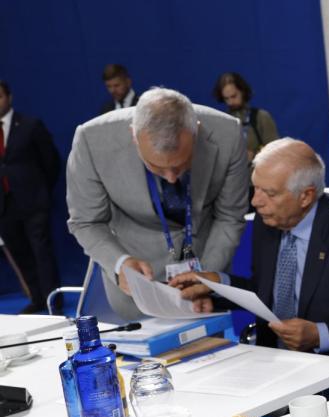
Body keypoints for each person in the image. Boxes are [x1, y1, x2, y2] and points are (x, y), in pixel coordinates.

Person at [170, 138, 329, 391]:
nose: (256, 202)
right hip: (273, 362)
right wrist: (218, 284)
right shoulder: (269, 223)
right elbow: (268, 293)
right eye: (255, 188)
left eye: (270, 193)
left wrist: (320, 335)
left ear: (306, 196)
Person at [67, 87, 249, 320]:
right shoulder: (92, 141)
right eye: (157, 167)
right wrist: (120, 263)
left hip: (206, 277)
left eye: (181, 165)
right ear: (134, 136)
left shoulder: (228, 133)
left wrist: (205, 279)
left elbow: (229, 217)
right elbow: (86, 222)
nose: (171, 177)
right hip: (137, 288)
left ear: (197, 132)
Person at [0, 80, 61, 313]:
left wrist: (41, 190)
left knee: (41, 251)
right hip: (4, 205)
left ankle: (52, 300)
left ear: (9, 97)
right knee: (20, 252)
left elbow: (51, 161)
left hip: (33, 201)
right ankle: (36, 299)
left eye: (0, 97)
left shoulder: (29, 125)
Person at [213, 72, 279, 164]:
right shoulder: (222, 121)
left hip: (258, 173)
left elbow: (276, 151)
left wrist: (255, 155)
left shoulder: (261, 117)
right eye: (226, 99)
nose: (230, 102)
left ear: (243, 92)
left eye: (234, 96)